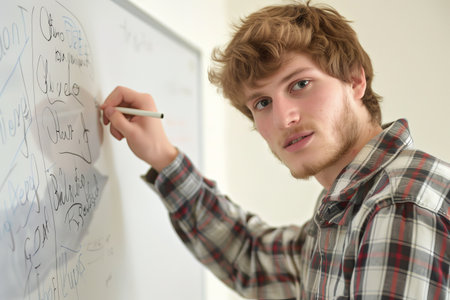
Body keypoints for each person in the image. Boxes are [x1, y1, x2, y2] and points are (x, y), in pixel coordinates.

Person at [100, 1, 449, 299]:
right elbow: (252, 257)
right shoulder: (348, 203)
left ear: (356, 81)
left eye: (300, 84)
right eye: (262, 102)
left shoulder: (397, 203)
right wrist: (163, 157)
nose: (284, 118)